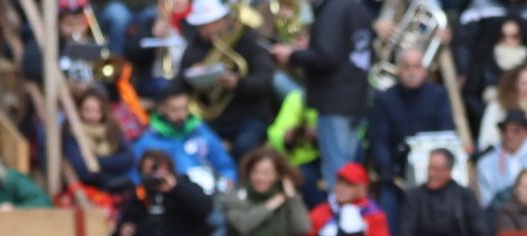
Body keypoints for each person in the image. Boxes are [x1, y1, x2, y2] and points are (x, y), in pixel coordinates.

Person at [276, 0, 374, 184]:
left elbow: (325, 58)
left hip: (334, 102)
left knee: (339, 178)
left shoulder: (332, 9)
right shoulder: (357, 6)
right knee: (350, 174)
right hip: (356, 99)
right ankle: (349, 212)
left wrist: (292, 56)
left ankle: (342, 213)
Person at [177, 0, 275, 156]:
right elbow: (178, 84)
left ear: (224, 20)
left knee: (245, 144)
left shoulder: (248, 42)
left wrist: (238, 83)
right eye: (202, 26)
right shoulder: (194, 50)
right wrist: (192, 76)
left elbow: (265, 81)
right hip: (213, 119)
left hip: (249, 115)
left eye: (213, 23)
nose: (208, 30)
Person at [368, 46, 454, 222]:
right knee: (386, 214)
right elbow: (379, 141)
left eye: (417, 67)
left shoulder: (438, 96)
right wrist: (388, 172)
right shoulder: (385, 99)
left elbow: (446, 135)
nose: (412, 72)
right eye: (407, 67)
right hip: (396, 176)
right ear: (399, 70)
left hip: (432, 175)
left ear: (424, 69)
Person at [135, 81, 237, 195]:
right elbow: (136, 177)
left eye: (184, 109)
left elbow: (225, 165)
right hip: (170, 197)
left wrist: (228, 181)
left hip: (208, 194)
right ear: (162, 108)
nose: (180, 115)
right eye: (174, 109)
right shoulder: (149, 141)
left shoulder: (201, 132)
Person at [113, 148, 214, 236]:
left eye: (158, 171)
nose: (155, 177)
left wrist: (176, 188)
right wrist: (122, 234)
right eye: (149, 173)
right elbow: (122, 228)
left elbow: (205, 207)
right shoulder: (138, 196)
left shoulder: (185, 187)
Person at [218, 144, 311, 236]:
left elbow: (303, 228)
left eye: (266, 173)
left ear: (277, 175)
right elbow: (243, 225)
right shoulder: (235, 196)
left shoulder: (287, 199)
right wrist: (270, 205)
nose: (260, 178)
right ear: (249, 173)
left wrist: (292, 197)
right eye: (256, 172)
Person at [400, 147, 486, 236]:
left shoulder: (465, 196)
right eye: (430, 168)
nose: (431, 174)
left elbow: (480, 231)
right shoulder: (414, 197)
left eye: (436, 169)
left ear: (448, 172)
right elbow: (406, 233)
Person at [301, 161, 393, 236]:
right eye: (339, 183)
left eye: (348, 185)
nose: (341, 188)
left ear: (362, 189)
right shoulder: (321, 212)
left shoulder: (374, 215)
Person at [63, 85, 137, 195]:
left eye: (97, 111)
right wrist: (111, 168)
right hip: (87, 191)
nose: (92, 115)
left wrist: (97, 160)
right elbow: (81, 169)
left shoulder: (113, 130)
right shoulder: (72, 132)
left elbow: (128, 159)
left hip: (115, 187)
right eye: (87, 110)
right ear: (79, 110)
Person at [475, 108, 527, 208]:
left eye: (516, 131)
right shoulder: (486, 163)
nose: (509, 135)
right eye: (505, 130)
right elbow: (486, 199)